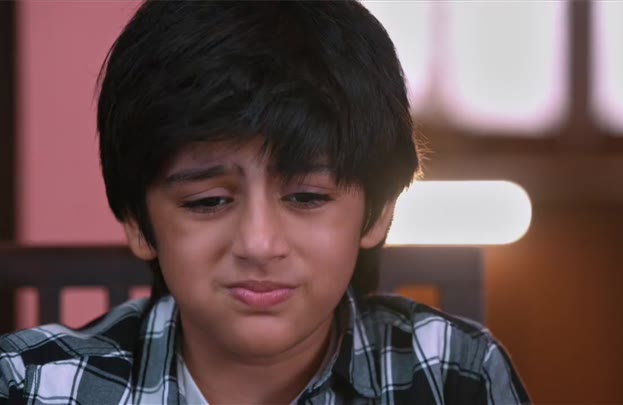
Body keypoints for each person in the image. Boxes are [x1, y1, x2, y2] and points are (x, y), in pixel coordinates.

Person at [0, 1, 529, 403]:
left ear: (379, 210)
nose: (259, 243)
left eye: (307, 196)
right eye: (207, 201)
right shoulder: (30, 386)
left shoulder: (455, 375)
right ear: (138, 221)